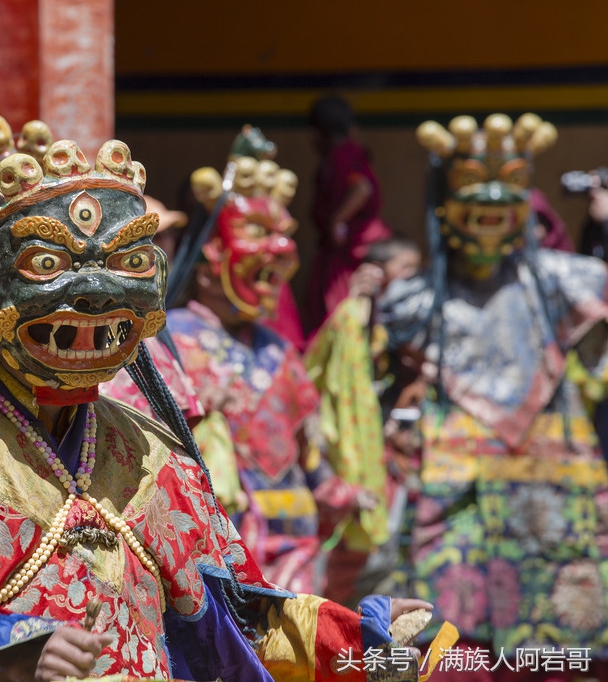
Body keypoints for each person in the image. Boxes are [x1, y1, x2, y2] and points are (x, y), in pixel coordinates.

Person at [0, 121, 436, 681]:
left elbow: (236, 625)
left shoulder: (152, 454)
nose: (97, 293)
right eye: (48, 266)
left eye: (126, 264)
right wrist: (0, 652)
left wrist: (363, 645)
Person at [384, 112, 608, 679]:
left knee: (562, 640)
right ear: (444, 205)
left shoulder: (561, 282)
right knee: (455, 645)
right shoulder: (411, 301)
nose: (489, 213)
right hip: (454, 496)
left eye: (507, 196)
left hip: (552, 491)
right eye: (472, 198)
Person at [166, 129, 376, 594]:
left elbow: (309, 450)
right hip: (213, 540)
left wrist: (338, 491)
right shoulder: (169, 338)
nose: (281, 249)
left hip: (295, 539)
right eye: (258, 233)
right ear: (206, 262)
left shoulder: (279, 349)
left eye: (283, 235)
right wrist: (195, 407)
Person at [303, 235, 421, 606]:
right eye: (407, 271)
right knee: (352, 578)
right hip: (358, 467)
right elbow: (327, 377)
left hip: (397, 465)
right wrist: (358, 303)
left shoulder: (413, 321)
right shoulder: (354, 318)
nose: (414, 281)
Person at [306, 94, 391, 334]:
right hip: (345, 247)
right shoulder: (349, 154)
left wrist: (337, 220)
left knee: (343, 313)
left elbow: (361, 187)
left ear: (316, 133)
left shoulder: (342, 156)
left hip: (350, 249)